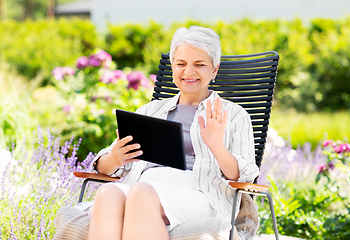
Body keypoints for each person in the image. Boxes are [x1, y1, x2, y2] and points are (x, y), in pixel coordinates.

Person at [87, 26, 259, 240]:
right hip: (144, 186)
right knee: (108, 193)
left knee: (141, 193)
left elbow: (244, 178)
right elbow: (104, 167)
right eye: (181, 64)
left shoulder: (233, 115)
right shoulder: (150, 111)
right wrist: (115, 157)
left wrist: (216, 145)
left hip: (202, 194)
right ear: (172, 67)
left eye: (200, 64)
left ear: (214, 70)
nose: (188, 72)